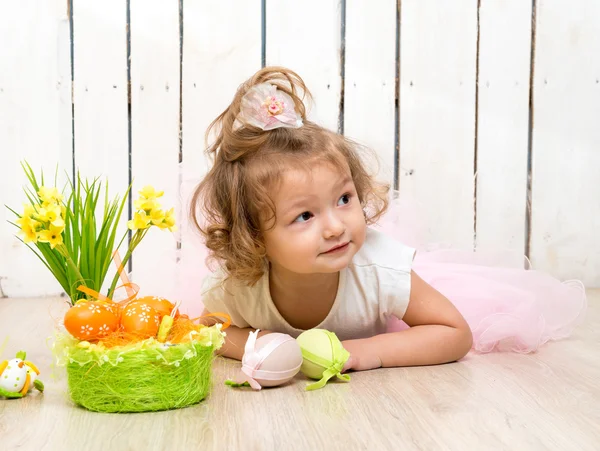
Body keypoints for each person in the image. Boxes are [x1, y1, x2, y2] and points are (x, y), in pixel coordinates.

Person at [189, 67, 586, 372]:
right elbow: (208, 328)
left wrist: (362, 352)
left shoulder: (379, 269)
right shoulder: (243, 287)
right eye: (305, 215)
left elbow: (455, 334)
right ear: (254, 238)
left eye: (344, 199)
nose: (335, 226)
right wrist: (262, 346)